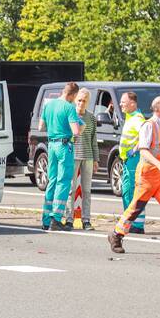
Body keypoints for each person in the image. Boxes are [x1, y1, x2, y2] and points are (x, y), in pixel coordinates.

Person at [109, 96, 160, 256]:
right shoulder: (149, 126)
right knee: (135, 209)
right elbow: (144, 151)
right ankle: (116, 235)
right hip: (147, 176)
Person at [39, 82, 83, 231]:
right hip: (64, 146)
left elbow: (40, 127)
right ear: (73, 95)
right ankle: (56, 218)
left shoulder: (49, 105)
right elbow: (76, 131)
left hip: (51, 145)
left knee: (52, 180)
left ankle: (45, 218)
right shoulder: (70, 107)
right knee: (63, 181)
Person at [118, 91, 147, 234]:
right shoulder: (130, 117)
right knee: (128, 192)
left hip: (133, 160)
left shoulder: (137, 119)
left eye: (123, 102)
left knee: (131, 192)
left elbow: (145, 137)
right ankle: (131, 221)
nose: (120, 104)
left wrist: (134, 150)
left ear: (132, 103)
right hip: (128, 160)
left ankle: (136, 224)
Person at [71, 88, 98, 230]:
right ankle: (69, 218)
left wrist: (96, 159)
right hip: (73, 156)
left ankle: (86, 220)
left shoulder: (92, 117)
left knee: (87, 190)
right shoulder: (70, 115)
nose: (81, 103)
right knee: (71, 188)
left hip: (88, 157)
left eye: (84, 100)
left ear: (88, 102)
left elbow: (94, 140)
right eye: (79, 100)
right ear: (76, 100)